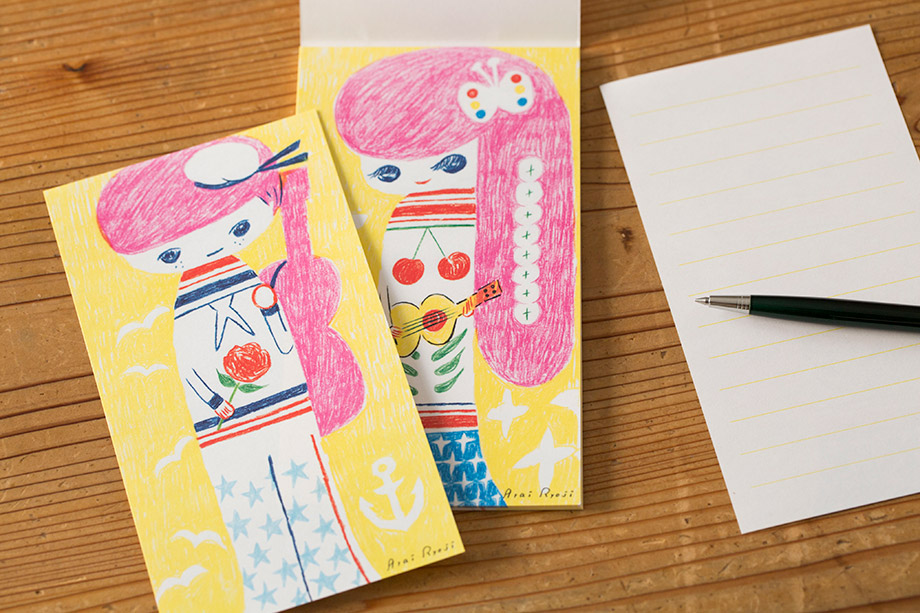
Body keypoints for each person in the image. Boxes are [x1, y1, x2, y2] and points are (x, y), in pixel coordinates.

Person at [96, 136, 373, 607]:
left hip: (286, 402)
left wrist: (276, 324)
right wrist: (214, 401)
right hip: (228, 424)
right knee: (246, 498)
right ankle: (268, 586)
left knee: (309, 482)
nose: (206, 247)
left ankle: (337, 562)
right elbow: (192, 365)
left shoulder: (246, 282)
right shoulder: (188, 307)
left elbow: (283, 339)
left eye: (236, 224)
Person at [335, 48, 576, 507]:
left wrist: (469, 305)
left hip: (463, 352)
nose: (420, 180)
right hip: (409, 344)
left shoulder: (494, 210)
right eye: (388, 171)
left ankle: (465, 474)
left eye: (447, 163)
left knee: (455, 410)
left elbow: (497, 275)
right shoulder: (399, 218)